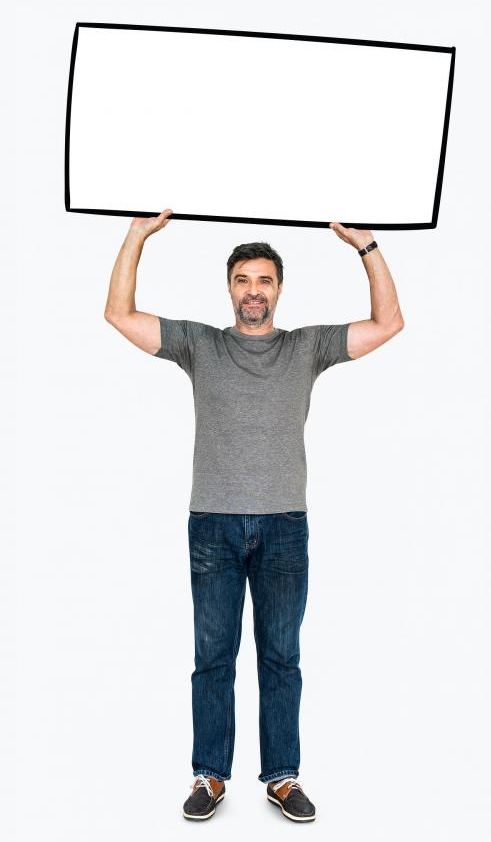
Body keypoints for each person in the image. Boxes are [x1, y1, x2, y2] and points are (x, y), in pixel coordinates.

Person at [104, 209, 405, 822]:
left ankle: (283, 778)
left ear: (279, 289)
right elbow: (120, 315)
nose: (253, 291)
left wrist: (366, 245)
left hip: (283, 526)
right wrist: (136, 235)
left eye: (264, 280)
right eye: (243, 280)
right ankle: (210, 775)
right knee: (213, 657)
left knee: (280, 658)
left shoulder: (306, 348)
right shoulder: (200, 344)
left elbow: (389, 323)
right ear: (230, 288)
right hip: (212, 522)